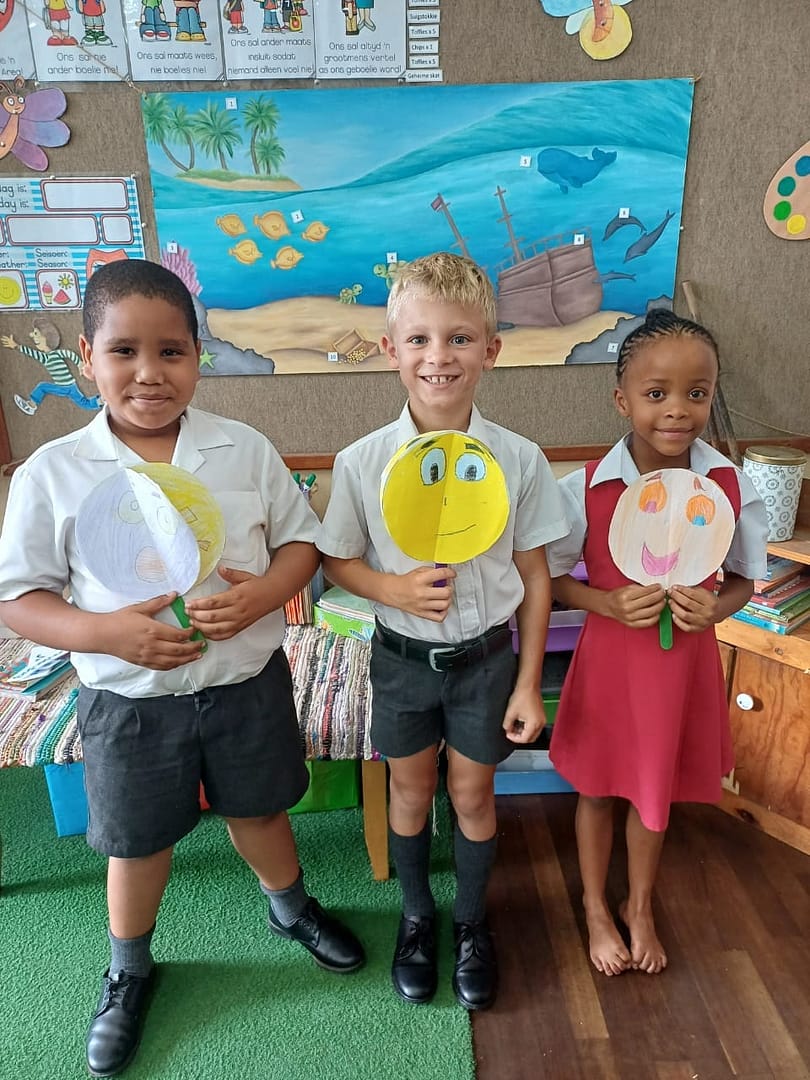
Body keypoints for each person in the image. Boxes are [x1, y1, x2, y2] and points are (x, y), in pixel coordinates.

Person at [0, 260, 364, 1078]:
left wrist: (265, 592)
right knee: (137, 842)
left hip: (243, 684)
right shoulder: (54, 471)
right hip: (131, 700)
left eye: (171, 351)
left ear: (198, 357)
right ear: (87, 356)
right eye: (123, 351)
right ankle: (128, 969)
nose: (149, 373)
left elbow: (299, 543)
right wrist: (104, 633)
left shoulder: (243, 450)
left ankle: (289, 909)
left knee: (260, 809)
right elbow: (19, 598)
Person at [317, 252, 568, 1010]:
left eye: (459, 338)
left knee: (473, 792)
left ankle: (470, 922)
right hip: (401, 661)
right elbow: (337, 561)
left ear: (491, 350)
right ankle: (417, 918)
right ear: (390, 349)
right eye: (420, 339)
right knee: (410, 789)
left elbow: (535, 577)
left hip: (486, 663)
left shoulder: (519, 459)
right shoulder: (360, 463)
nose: (439, 356)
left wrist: (527, 683)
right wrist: (390, 588)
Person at [545, 309, 768, 978]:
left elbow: (743, 579)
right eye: (656, 393)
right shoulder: (587, 487)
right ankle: (595, 907)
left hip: (681, 667)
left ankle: (639, 906)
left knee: (654, 791)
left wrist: (715, 608)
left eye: (696, 393)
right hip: (611, 663)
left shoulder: (730, 486)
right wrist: (603, 601)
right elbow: (551, 579)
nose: (677, 410)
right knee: (596, 789)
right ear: (623, 400)